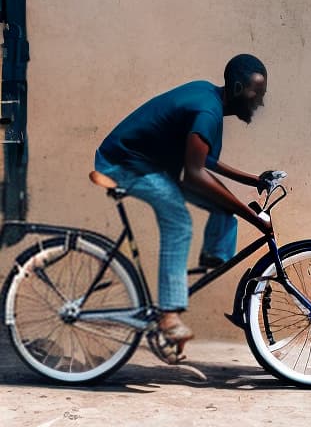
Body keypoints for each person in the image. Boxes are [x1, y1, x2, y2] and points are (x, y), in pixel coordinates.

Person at [94, 54, 278, 357]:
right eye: (255, 92)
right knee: (179, 221)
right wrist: (254, 218)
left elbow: (202, 158)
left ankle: (213, 256)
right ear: (235, 88)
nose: (259, 101)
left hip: (148, 163)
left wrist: (252, 181)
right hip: (122, 163)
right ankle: (168, 317)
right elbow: (195, 175)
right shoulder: (208, 111)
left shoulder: (209, 99)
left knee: (222, 202)